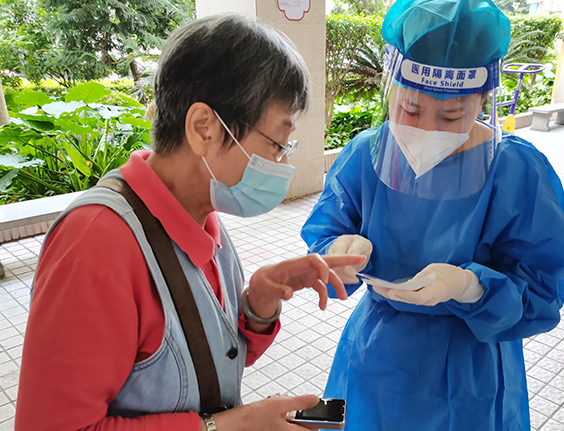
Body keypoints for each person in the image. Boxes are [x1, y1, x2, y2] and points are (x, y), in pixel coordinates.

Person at [15, 15, 366, 431]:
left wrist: (257, 304)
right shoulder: (95, 245)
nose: (283, 162)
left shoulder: (204, 218)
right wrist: (232, 426)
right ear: (204, 128)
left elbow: (211, 364)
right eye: (277, 143)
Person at [301, 1, 564, 430]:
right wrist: (335, 251)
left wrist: (471, 287)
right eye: (410, 110)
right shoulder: (366, 155)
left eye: (451, 115)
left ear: (482, 100)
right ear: (391, 87)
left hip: (470, 372)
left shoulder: (515, 171)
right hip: (377, 356)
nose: (428, 129)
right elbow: (327, 230)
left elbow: (542, 289)